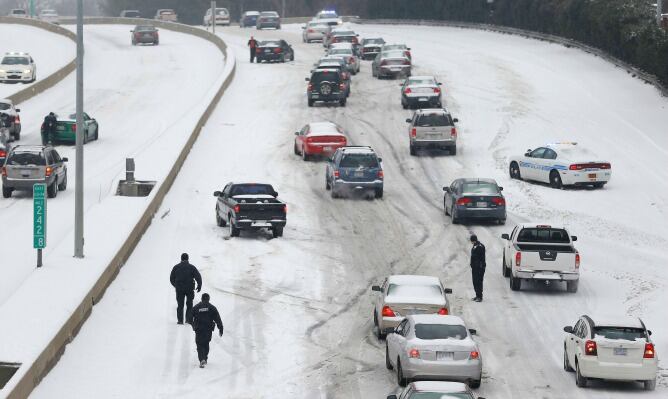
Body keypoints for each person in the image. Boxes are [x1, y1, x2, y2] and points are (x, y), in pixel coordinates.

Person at [192, 293, 224, 368]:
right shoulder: (212, 307)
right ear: (208, 299)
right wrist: (221, 328)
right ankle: (204, 358)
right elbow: (217, 319)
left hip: (199, 329)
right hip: (208, 329)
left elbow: (189, 317)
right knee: (206, 343)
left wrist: (193, 325)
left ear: (201, 299)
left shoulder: (196, 307)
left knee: (199, 344)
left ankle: (202, 359)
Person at [169, 253, 202, 325]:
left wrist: (176, 285)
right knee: (189, 304)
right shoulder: (192, 267)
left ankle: (180, 321)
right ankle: (188, 320)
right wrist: (199, 285)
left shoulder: (176, 267)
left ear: (181, 259)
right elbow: (198, 276)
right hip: (189, 289)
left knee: (180, 305)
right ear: (188, 259)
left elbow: (171, 278)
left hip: (179, 289)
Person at [470, 234, 486, 302]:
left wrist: (480, 266)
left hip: (479, 267)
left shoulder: (479, 247)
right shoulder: (475, 246)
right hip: (475, 267)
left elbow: (480, 258)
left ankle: (479, 296)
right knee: (475, 281)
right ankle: (477, 295)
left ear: (473, 240)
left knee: (478, 281)